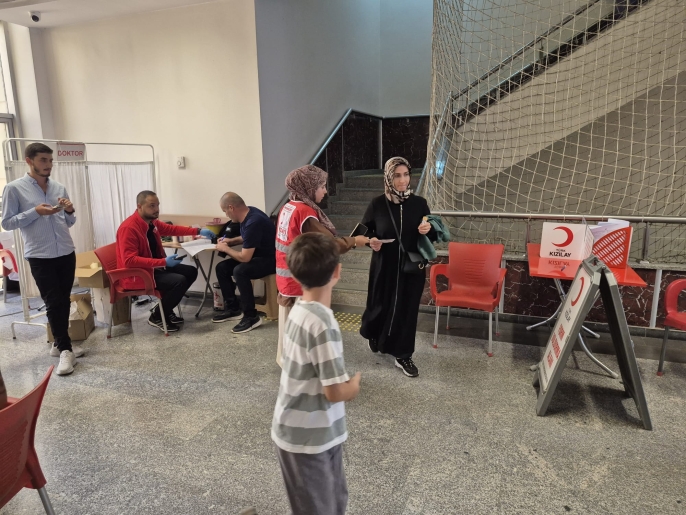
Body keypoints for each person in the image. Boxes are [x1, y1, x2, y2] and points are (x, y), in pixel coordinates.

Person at [272, 232, 361, 515]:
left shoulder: (299, 310)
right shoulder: (323, 323)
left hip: (319, 432)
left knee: (334, 501)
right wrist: (353, 386)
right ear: (337, 272)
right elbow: (334, 391)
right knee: (317, 508)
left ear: (295, 274)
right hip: (305, 440)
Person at [1, 143, 84, 376]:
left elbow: (68, 222)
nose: (48, 165)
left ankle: (59, 343)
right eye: (43, 160)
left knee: (63, 300)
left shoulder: (58, 186)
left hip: (65, 250)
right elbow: (7, 222)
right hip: (40, 254)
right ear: (29, 161)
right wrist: (35, 212)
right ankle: (66, 350)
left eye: (50, 160)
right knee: (53, 301)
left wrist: (69, 210)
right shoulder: (14, 189)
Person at [275, 165, 368, 365]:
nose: (325, 191)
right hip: (300, 283)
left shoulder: (288, 207)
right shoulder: (305, 212)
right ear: (308, 188)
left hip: (286, 278)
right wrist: (354, 241)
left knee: (291, 332)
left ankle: (289, 364)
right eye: (322, 186)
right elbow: (329, 244)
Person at [359, 156, 435, 378]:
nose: (402, 180)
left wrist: (428, 229)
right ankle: (374, 333)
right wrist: (371, 240)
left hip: (411, 266)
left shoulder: (420, 204)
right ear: (388, 178)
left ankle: (403, 355)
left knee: (407, 310)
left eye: (406, 175)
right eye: (397, 175)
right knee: (379, 304)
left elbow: (433, 233)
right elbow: (363, 231)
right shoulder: (377, 204)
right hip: (384, 265)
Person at [116, 190, 215, 332]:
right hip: (137, 275)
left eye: (157, 205)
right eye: (152, 206)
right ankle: (157, 316)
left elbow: (171, 229)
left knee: (191, 271)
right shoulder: (129, 228)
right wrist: (163, 262)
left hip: (153, 268)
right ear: (139, 206)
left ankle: (164, 309)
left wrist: (198, 231)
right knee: (178, 281)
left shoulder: (152, 222)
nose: (156, 209)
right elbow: (129, 261)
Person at [212, 192, 276, 333]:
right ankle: (234, 309)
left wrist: (225, 248)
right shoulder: (249, 212)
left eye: (225, 211)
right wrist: (230, 241)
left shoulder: (254, 221)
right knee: (222, 268)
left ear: (231, 207)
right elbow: (248, 237)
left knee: (240, 271)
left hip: (270, 260)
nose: (226, 215)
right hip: (257, 256)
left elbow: (245, 258)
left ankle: (251, 317)